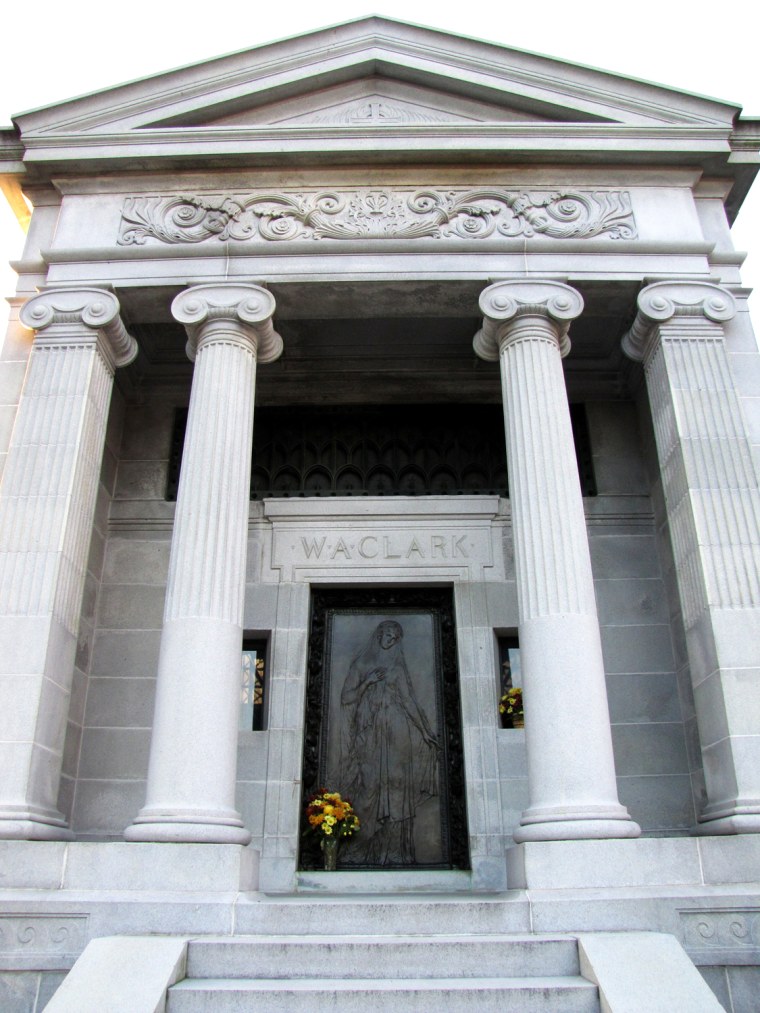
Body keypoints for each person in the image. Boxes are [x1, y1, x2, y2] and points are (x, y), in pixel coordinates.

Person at [339, 619, 439, 865]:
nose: (391, 640)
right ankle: (358, 850)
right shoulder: (361, 664)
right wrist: (367, 683)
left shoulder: (397, 667)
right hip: (369, 734)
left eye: (395, 637)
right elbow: (346, 697)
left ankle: (394, 853)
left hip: (396, 732)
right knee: (368, 788)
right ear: (379, 634)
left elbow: (409, 702)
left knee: (396, 788)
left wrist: (424, 731)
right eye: (388, 634)